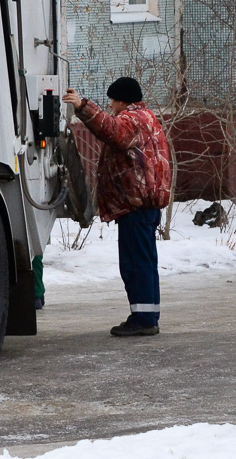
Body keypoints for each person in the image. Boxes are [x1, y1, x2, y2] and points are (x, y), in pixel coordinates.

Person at [63, 77, 172, 336]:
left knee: (135, 263)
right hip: (146, 203)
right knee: (145, 261)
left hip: (135, 204)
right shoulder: (148, 118)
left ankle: (144, 320)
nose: (110, 105)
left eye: (112, 100)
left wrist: (82, 106)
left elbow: (110, 129)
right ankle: (148, 313)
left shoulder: (131, 119)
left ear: (121, 100)